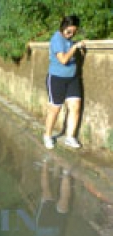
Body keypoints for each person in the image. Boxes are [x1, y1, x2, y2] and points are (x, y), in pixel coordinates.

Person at [44, 15, 86, 149]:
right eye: (69, 31)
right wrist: (75, 47)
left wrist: (75, 44)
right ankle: (47, 135)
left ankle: (70, 137)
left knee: (75, 106)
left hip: (72, 78)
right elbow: (63, 60)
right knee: (55, 109)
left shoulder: (69, 40)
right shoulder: (57, 39)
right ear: (63, 27)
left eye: (74, 32)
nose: (71, 34)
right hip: (57, 78)